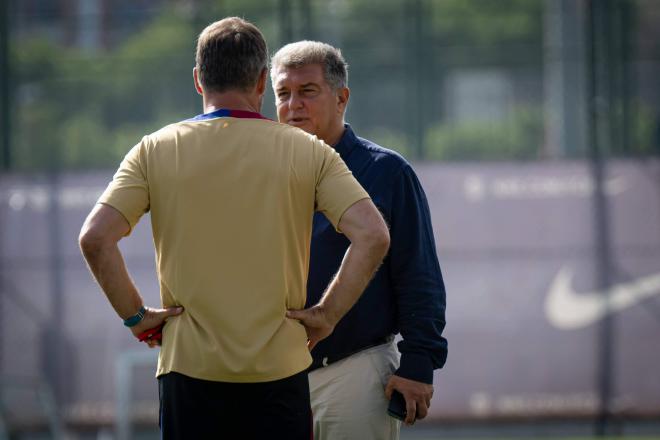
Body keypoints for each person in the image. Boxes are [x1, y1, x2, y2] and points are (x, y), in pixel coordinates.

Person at [78, 19, 390, 440]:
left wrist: (137, 317)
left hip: (189, 371)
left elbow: (95, 239)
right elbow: (373, 235)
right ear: (263, 81)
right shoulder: (308, 151)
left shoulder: (155, 149)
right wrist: (326, 315)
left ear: (197, 80)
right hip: (279, 371)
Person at [271, 41, 448, 439]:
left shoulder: (386, 171)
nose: (293, 105)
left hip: (354, 371)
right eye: (283, 94)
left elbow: (417, 275)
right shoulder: (263, 173)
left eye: (308, 92)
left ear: (342, 98)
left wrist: (420, 362)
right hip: (271, 377)